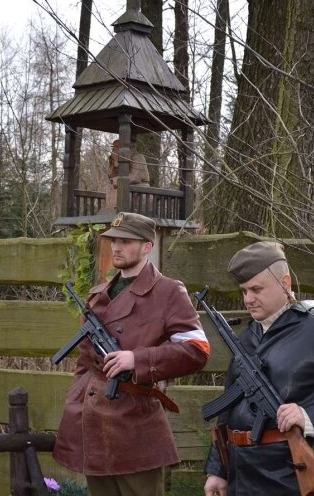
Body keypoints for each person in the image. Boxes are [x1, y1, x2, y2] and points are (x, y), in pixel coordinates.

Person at [203, 242, 314, 496]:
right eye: (243, 291)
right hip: (242, 478)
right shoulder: (249, 334)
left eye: (256, 289)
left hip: (293, 479)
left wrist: (308, 416)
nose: (248, 299)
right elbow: (228, 408)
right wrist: (218, 469)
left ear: (285, 283)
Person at [53, 212, 211, 496]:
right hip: (92, 418)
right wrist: (75, 398)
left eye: (126, 241)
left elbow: (197, 350)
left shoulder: (168, 292)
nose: (116, 247)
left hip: (134, 421)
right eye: (113, 240)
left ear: (147, 247)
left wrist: (138, 359)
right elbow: (84, 360)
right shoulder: (98, 294)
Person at [105, 139, 150, 208]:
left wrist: (117, 180)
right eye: (113, 147)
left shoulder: (137, 157)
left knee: (124, 190)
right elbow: (111, 176)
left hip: (139, 187)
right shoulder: (118, 158)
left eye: (116, 146)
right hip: (124, 185)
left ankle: (122, 209)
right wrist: (114, 162)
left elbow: (136, 177)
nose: (113, 149)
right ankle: (111, 209)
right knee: (110, 187)